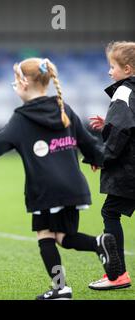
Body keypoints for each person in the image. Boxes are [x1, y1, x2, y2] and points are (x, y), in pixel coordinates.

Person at [0, 57, 122, 300]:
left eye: (15, 81)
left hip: (45, 190)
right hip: (73, 187)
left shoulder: (22, 117)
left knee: (46, 236)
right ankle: (98, 243)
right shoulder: (64, 107)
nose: (14, 85)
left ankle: (60, 288)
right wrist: (101, 160)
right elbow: (89, 143)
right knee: (64, 237)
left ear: (24, 83)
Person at [88, 41, 135, 290]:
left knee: (110, 213)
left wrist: (100, 157)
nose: (109, 72)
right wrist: (110, 120)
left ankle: (117, 276)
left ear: (127, 69)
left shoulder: (123, 91)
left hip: (130, 170)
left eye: (112, 66)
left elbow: (121, 131)